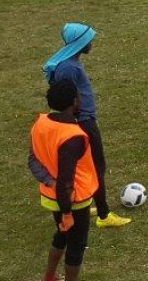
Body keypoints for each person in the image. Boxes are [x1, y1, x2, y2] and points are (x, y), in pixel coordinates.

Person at [42, 23, 133, 229]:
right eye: (88, 40)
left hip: (82, 120)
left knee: (87, 167)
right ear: (79, 43)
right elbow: (66, 99)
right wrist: (78, 121)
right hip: (83, 122)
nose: (92, 43)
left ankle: (83, 205)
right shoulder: (69, 68)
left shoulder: (70, 63)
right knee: (96, 167)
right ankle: (103, 215)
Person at [28, 80, 97, 281]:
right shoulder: (72, 136)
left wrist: (49, 182)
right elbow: (66, 181)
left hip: (51, 196)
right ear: (74, 102)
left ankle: (49, 276)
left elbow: (32, 160)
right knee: (76, 245)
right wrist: (67, 212)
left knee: (62, 235)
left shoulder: (41, 124)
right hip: (72, 200)